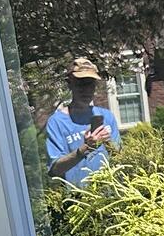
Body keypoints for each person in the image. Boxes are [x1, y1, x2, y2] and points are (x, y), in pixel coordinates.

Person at [45, 57, 120, 185]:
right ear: (69, 84)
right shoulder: (57, 122)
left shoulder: (106, 117)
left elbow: (120, 158)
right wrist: (86, 148)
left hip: (110, 192)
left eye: (90, 84)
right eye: (81, 84)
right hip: (78, 195)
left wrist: (108, 142)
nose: (86, 90)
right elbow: (55, 170)